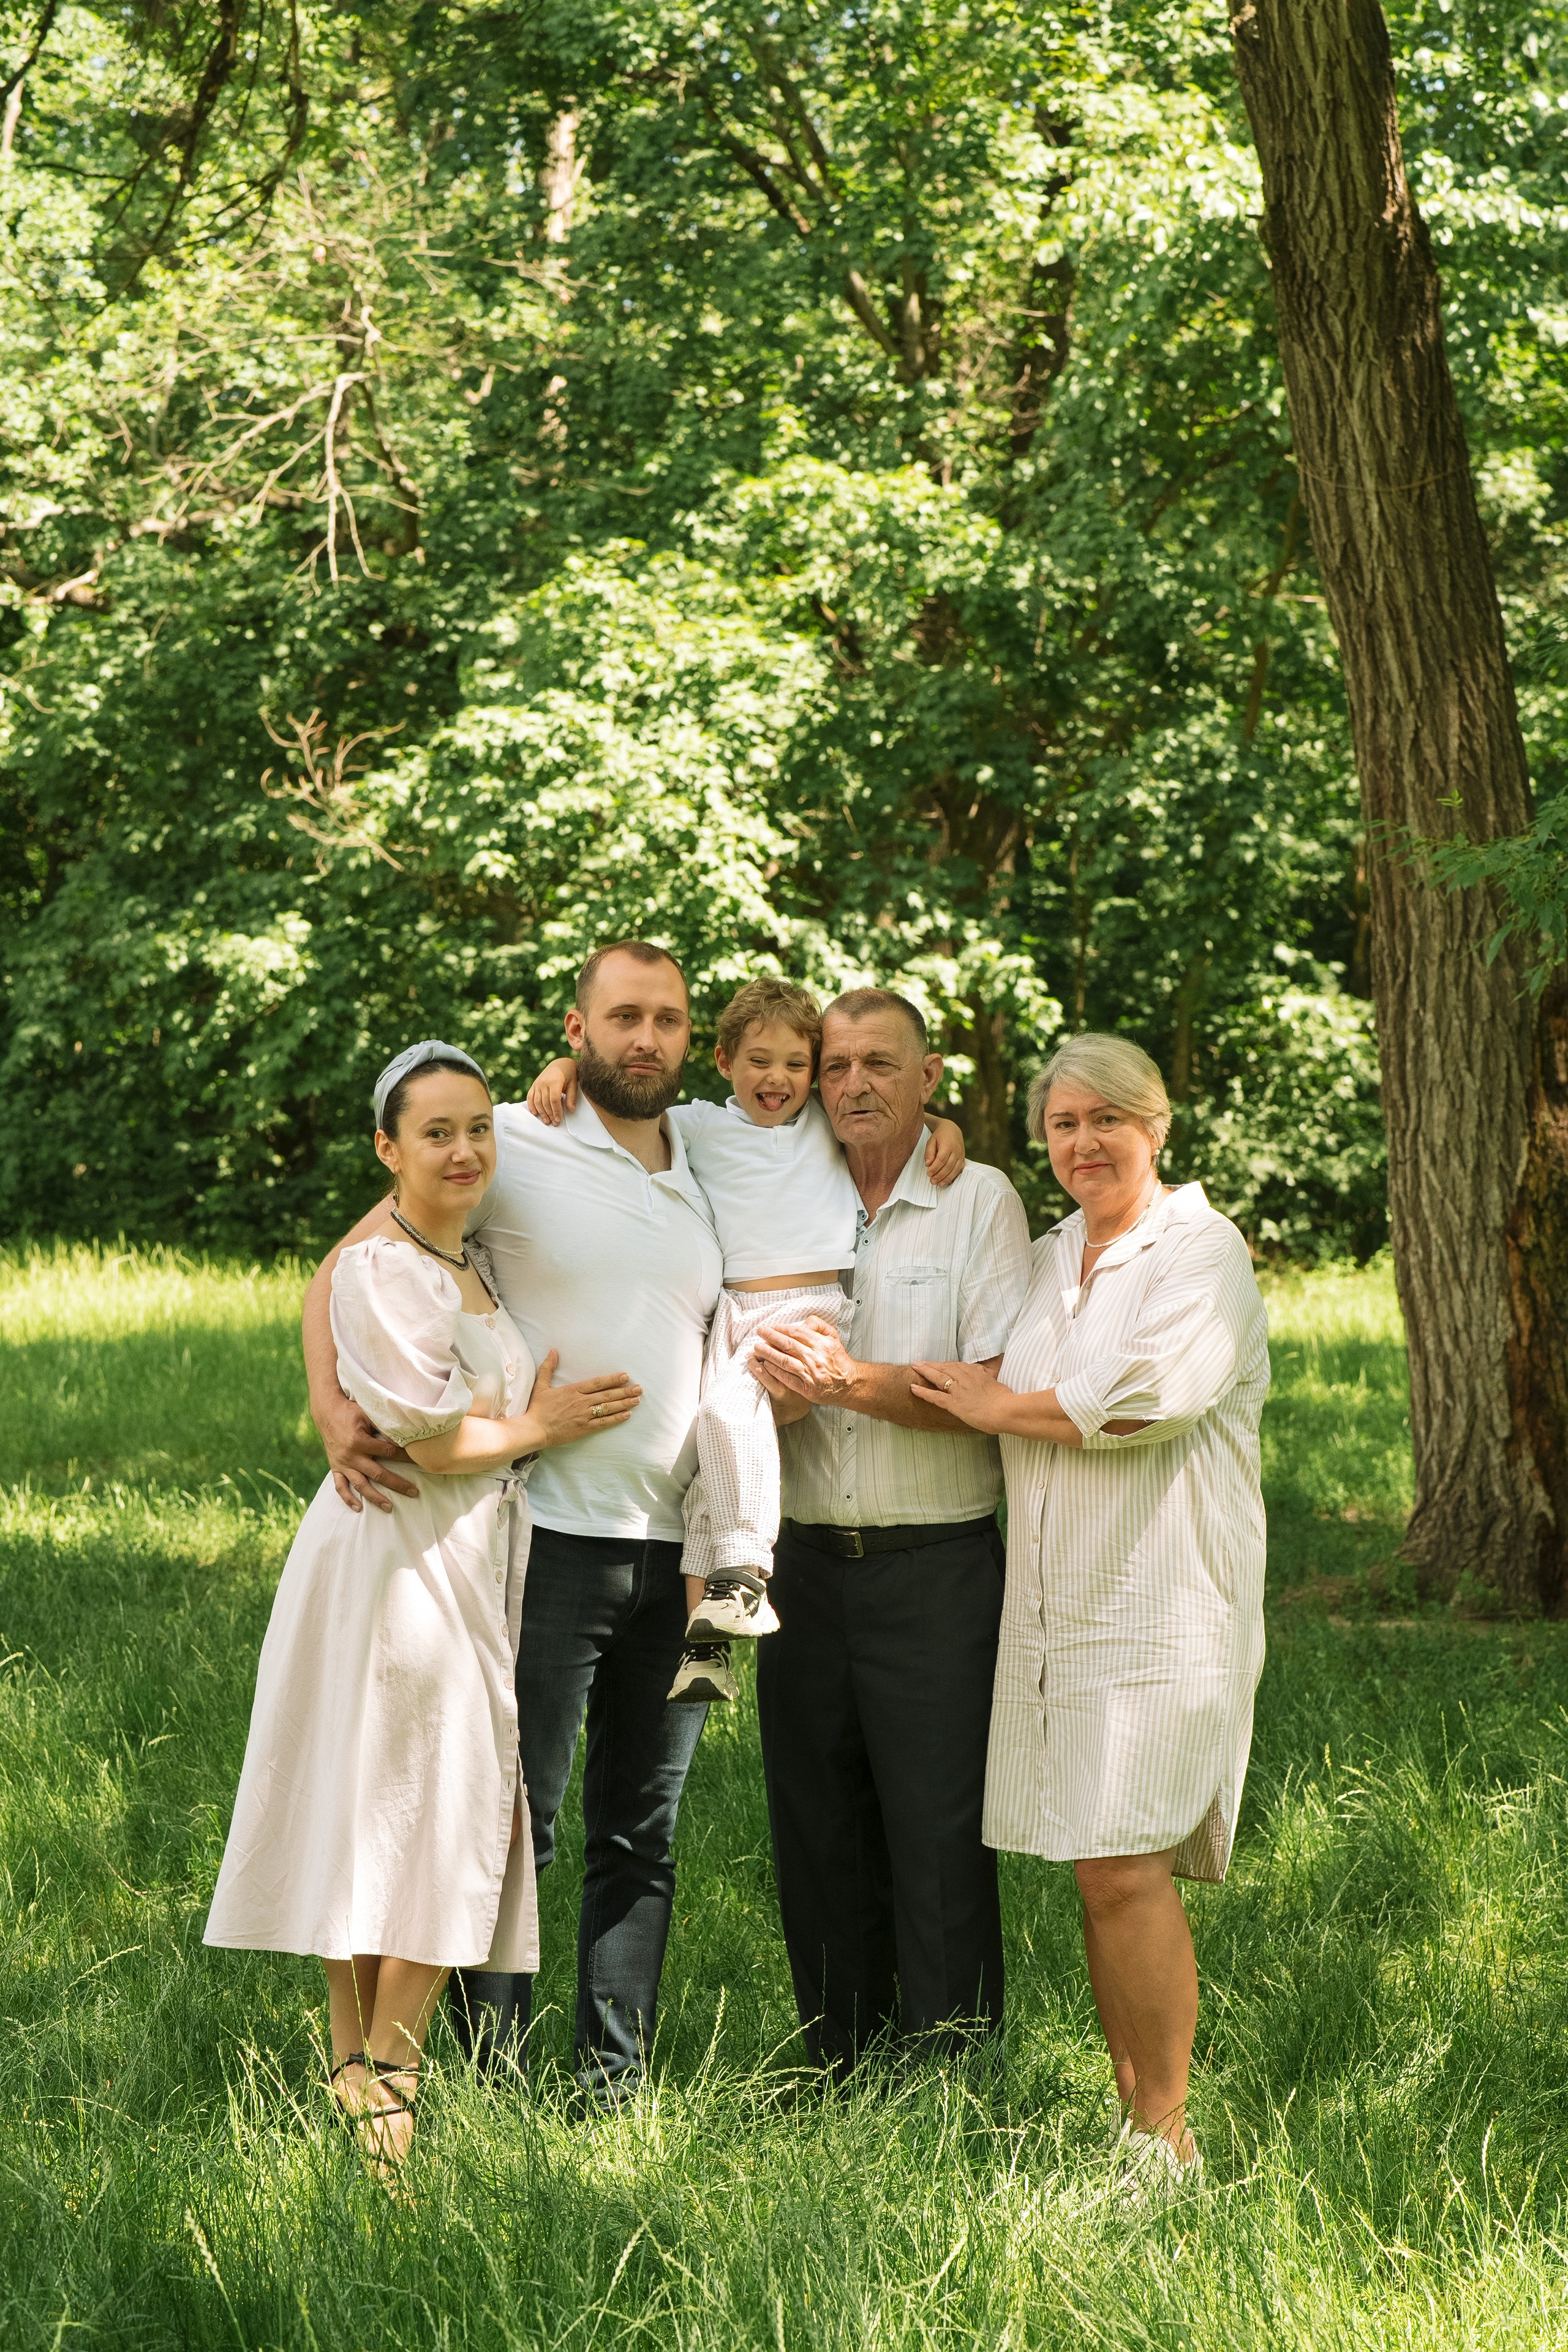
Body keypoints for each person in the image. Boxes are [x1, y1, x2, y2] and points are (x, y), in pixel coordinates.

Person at [205, 1042, 639, 2179]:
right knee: (436, 1809)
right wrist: (544, 1424)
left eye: (478, 1128)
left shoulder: (466, 1254)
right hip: (392, 1558)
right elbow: (429, 1441)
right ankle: (385, 2080)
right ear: (386, 1150)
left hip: (463, 1556)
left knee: (405, 1806)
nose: (463, 1150)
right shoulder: (385, 1271)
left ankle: (358, 2087)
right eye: (435, 1132)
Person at [301, 947, 724, 2110]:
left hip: (683, 1550)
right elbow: (350, 1266)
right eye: (623, 1016)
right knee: (507, 1821)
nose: (647, 1037)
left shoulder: (714, 1151)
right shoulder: (513, 1143)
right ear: (577, 1031)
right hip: (541, 1538)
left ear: (692, 1037)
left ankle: (611, 2088)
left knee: (641, 1831)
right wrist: (333, 1409)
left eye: (668, 1018)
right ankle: (492, 2085)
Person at [910, 1032, 1269, 2195]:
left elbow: (1141, 1400)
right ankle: (1134, 2127)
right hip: (1057, 1599)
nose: (1083, 1143)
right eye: (1062, 1125)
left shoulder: (1202, 1251)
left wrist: (997, 1408)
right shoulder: (1051, 1253)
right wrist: (933, 1133)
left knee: (1123, 1868)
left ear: (1155, 1126)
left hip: (1164, 1594)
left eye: (1105, 1120)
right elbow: (970, 1354)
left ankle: (1167, 2142)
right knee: (1097, 1868)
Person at [525, 974, 967, 1705]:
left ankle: (745, 1570)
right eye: (759, 1061)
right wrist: (565, 1066)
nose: (778, 1079)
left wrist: (945, 1129)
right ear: (724, 1061)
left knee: (727, 1415)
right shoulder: (698, 1125)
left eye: (797, 1064)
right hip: (734, 1312)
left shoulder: (822, 1122)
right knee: (709, 1464)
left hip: (807, 1307)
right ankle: (705, 1648)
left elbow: (898, 1117)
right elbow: (621, 1106)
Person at [747, 989, 1032, 2076]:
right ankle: (838, 2069)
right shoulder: (785, 1181)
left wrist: (849, 1383)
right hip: (802, 1565)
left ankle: (954, 2074)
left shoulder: (979, 1199)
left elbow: (991, 1387)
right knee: (816, 1832)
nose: (853, 1084)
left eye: (881, 1064)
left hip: (936, 1566)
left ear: (930, 1078)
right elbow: (670, 1131)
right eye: (836, 1066)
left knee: (938, 1833)